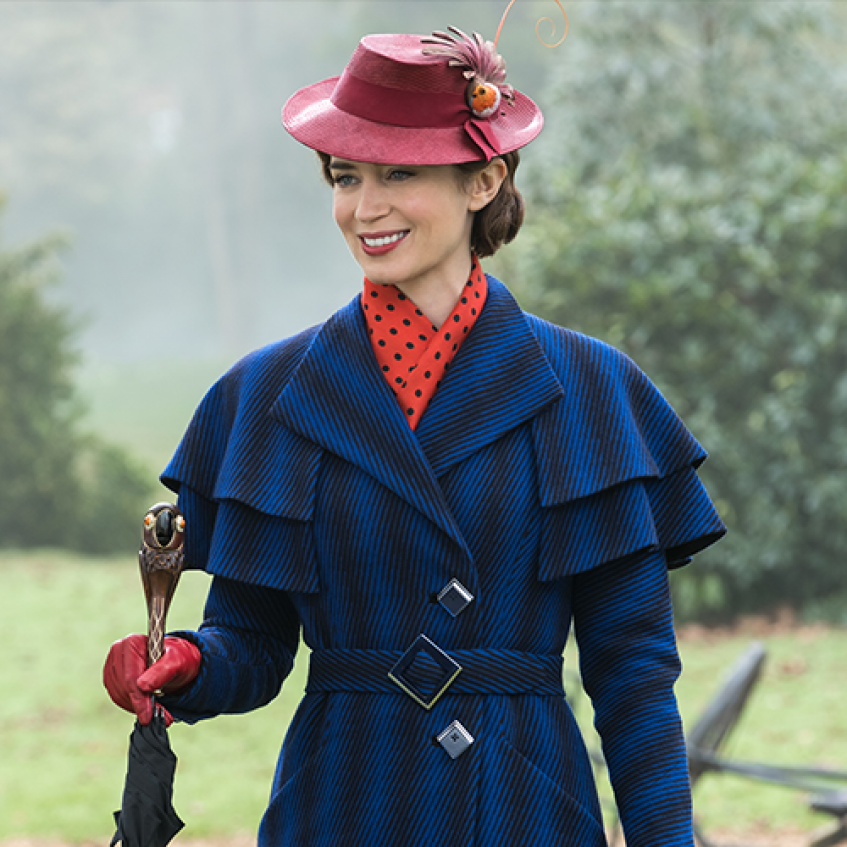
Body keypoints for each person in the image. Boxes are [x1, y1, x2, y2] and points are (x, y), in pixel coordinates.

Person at [104, 19, 726, 847]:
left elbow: (632, 675)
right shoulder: (264, 397)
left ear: (483, 181)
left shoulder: (592, 394)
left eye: (399, 172)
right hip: (338, 809)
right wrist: (188, 663)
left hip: (527, 813)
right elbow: (252, 641)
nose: (365, 208)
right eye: (345, 175)